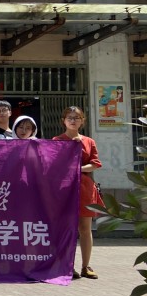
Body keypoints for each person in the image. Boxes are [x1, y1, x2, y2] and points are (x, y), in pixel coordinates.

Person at [52, 106, 103, 280]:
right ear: (64, 121)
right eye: (70, 118)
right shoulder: (57, 140)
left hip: (85, 188)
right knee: (68, 228)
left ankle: (86, 266)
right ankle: (68, 265)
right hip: (65, 188)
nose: (73, 121)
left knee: (85, 229)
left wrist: (78, 168)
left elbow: (95, 163)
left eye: (77, 118)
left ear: (83, 121)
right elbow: (55, 163)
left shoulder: (89, 141)